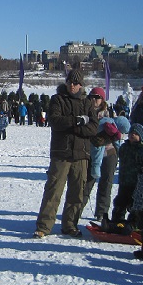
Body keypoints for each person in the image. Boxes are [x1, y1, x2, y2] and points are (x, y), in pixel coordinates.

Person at [33, 69, 98, 238]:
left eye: (75, 83)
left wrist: (75, 126)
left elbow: (93, 127)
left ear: (81, 85)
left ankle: (70, 224)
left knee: (77, 192)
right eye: (69, 82)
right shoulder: (58, 99)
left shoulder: (88, 102)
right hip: (61, 153)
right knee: (53, 191)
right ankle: (44, 226)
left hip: (81, 154)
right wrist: (77, 121)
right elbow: (55, 121)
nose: (72, 85)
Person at [110, 123, 143, 226]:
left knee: (134, 204)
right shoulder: (124, 147)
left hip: (136, 183)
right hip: (124, 181)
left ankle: (133, 223)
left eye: (136, 134)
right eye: (131, 133)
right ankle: (117, 221)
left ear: (141, 137)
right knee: (120, 202)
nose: (132, 135)